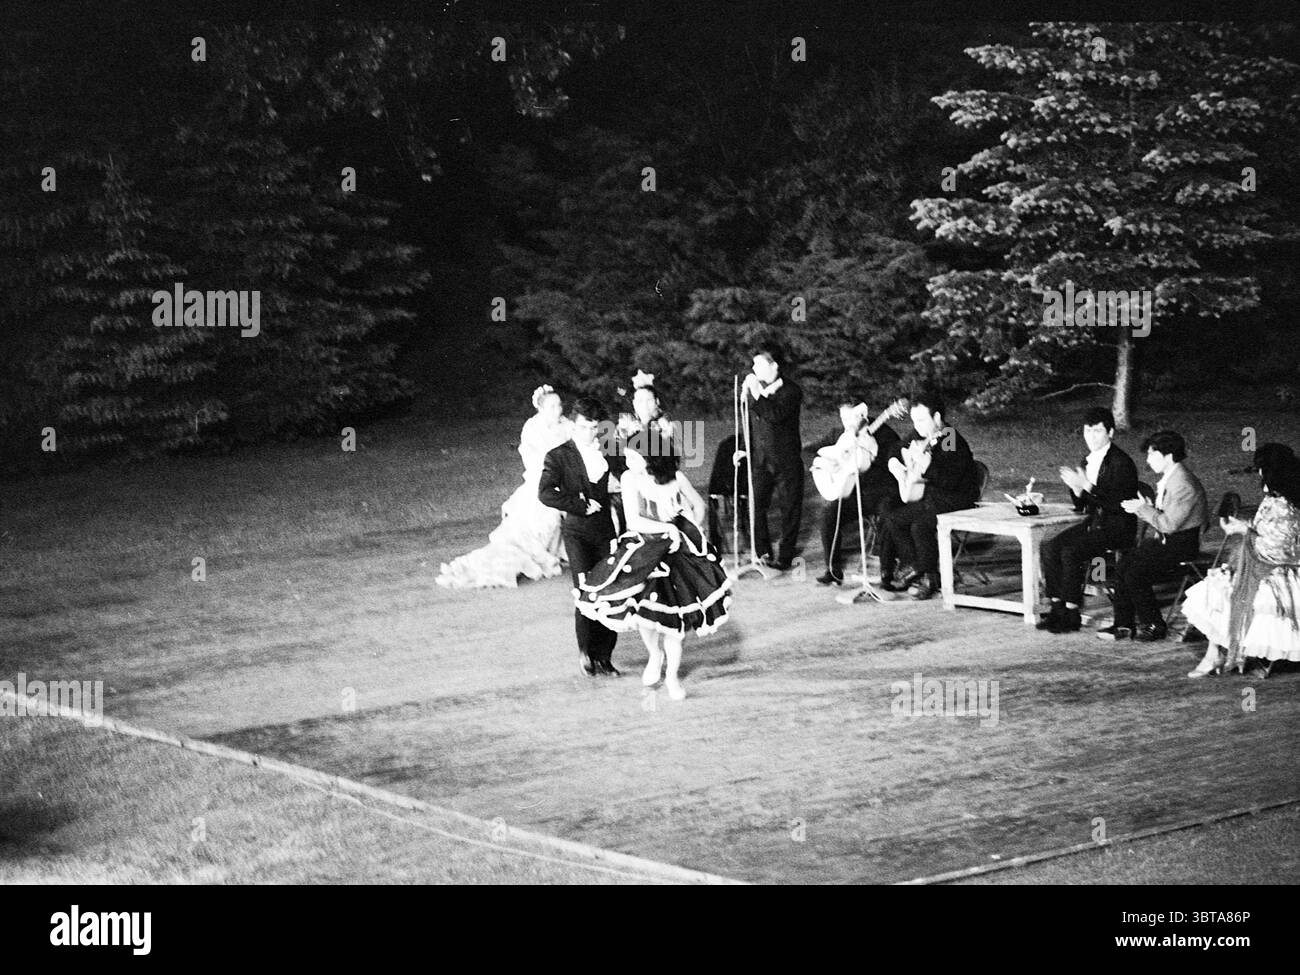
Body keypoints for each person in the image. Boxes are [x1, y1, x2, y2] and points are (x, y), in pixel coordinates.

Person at [575, 431, 733, 700]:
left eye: (632, 455)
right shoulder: (629, 478)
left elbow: (698, 505)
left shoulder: (676, 478)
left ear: (649, 457)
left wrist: (689, 524)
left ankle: (672, 677)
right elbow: (634, 521)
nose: (627, 459)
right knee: (645, 615)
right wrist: (666, 528)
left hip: (678, 554)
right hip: (645, 550)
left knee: (676, 623)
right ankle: (654, 655)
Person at [436, 385, 572, 589]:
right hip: (543, 480)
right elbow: (535, 461)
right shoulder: (533, 428)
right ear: (541, 409)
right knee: (543, 516)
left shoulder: (567, 426)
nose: (557, 410)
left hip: (566, 479)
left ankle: (563, 550)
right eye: (551, 406)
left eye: (559, 405)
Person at [1184, 443, 1300, 678]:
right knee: (1218, 586)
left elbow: (1281, 549)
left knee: (1231, 590)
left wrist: (1244, 533)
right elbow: (1263, 532)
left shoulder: (1286, 507)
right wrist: (1244, 528)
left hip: (1278, 570)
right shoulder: (1275, 499)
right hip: (1260, 562)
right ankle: (1214, 652)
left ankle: (1216, 654)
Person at [539, 396, 629, 677]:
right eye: (583, 427)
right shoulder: (558, 455)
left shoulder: (610, 449)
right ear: (573, 426)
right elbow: (545, 492)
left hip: (605, 531)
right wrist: (578, 504)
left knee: (610, 591)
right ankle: (586, 653)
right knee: (585, 591)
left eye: (594, 427)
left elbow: (630, 471)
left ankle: (605, 656)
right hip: (577, 532)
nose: (589, 433)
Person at [1097, 430, 1209, 642]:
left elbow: (1167, 524)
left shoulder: (1183, 483)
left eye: (1152, 454)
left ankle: (1154, 624)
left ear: (1167, 456)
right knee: (1124, 564)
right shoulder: (1172, 477)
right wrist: (1146, 508)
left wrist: (1142, 509)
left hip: (1181, 545)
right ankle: (1123, 624)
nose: (1148, 460)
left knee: (1135, 572)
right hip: (1168, 541)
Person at [1037, 408, 1140, 633]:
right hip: (1095, 523)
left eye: (1097, 431)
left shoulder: (1121, 463)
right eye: (1087, 431)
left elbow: (1117, 503)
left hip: (1117, 526)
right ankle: (1057, 606)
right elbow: (1083, 504)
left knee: (1071, 551)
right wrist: (1076, 488)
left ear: (1110, 432)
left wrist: (1087, 487)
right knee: (1050, 546)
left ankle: (1072, 610)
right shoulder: (1087, 461)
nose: (1091, 436)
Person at [878, 391, 981, 599]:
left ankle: (928, 575)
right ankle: (913, 566)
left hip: (956, 498)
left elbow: (950, 480)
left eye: (922, 420)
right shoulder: (920, 433)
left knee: (919, 525)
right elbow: (895, 449)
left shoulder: (949, 437)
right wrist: (895, 464)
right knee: (890, 513)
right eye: (914, 420)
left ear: (937, 418)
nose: (917, 426)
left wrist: (928, 466)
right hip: (932, 497)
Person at [809, 400, 902, 586]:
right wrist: (822, 463)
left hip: (883, 492)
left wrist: (876, 450)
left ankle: (886, 573)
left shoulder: (884, 433)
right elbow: (807, 451)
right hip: (854, 493)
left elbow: (897, 460)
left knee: (887, 514)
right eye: (843, 417)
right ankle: (833, 570)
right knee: (829, 515)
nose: (847, 423)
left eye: (851, 417)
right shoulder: (839, 435)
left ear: (862, 415)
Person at [736, 346, 803, 570]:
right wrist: (745, 448)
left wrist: (755, 395)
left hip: (786, 460)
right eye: (753, 365)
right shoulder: (754, 393)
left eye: (759, 364)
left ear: (774, 365)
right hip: (760, 460)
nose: (754, 369)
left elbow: (774, 415)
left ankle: (785, 556)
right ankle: (762, 552)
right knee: (755, 506)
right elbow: (750, 424)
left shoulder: (791, 391)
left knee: (789, 509)